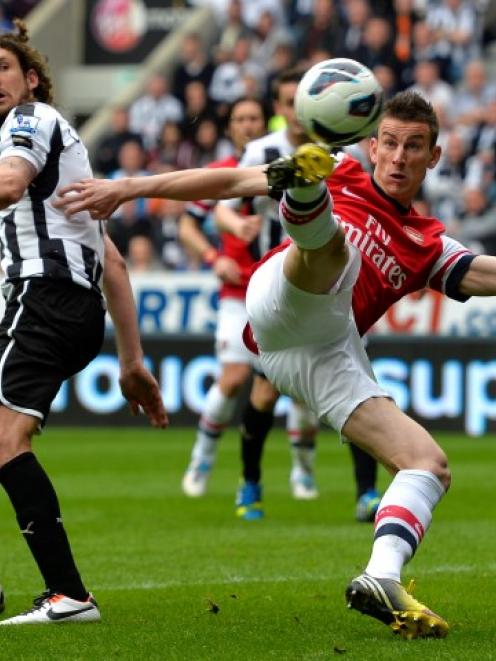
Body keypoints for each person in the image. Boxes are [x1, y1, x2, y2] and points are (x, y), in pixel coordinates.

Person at [56, 91, 479, 640]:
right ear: (372, 146)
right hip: (281, 294)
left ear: (434, 157)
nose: (399, 158)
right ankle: (303, 196)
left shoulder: (429, 244)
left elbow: (486, 273)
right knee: (334, 253)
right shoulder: (345, 167)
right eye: (391, 144)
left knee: (428, 464)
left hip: (319, 352)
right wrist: (129, 188)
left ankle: (381, 576)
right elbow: (231, 183)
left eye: (414, 147)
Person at [0, 20, 167, 625]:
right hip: (65, 306)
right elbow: (113, 262)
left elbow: (9, 183)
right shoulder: (56, 158)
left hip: (42, 298)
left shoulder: (30, 121)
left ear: (32, 79)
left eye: (4, 68)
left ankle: (69, 596)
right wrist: (133, 363)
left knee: (4, 438)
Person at [216, 68, 380, 518]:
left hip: (335, 286)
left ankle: (366, 492)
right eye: (289, 102)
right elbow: (224, 209)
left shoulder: (341, 153)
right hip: (278, 290)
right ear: (283, 107)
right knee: (264, 395)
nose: (295, 111)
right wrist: (238, 225)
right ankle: (250, 485)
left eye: (300, 101)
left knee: (357, 384)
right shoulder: (263, 151)